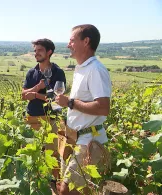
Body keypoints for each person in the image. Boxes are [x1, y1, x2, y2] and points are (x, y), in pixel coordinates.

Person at [55, 24, 112, 195]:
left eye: (72, 40)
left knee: (68, 190)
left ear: (86, 41)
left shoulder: (95, 70)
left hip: (88, 142)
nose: (68, 44)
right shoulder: (82, 68)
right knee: (79, 190)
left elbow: (103, 108)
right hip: (74, 138)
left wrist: (70, 103)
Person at [22, 38, 66, 182]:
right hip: (32, 118)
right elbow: (23, 96)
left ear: (49, 52)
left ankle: (52, 186)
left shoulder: (58, 73)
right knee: (30, 154)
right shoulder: (31, 72)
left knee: (51, 156)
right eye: (35, 51)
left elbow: (57, 101)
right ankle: (32, 183)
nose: (36, 53)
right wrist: (37, 89)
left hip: (50, 120)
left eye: (40, 50)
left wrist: (34, 95)